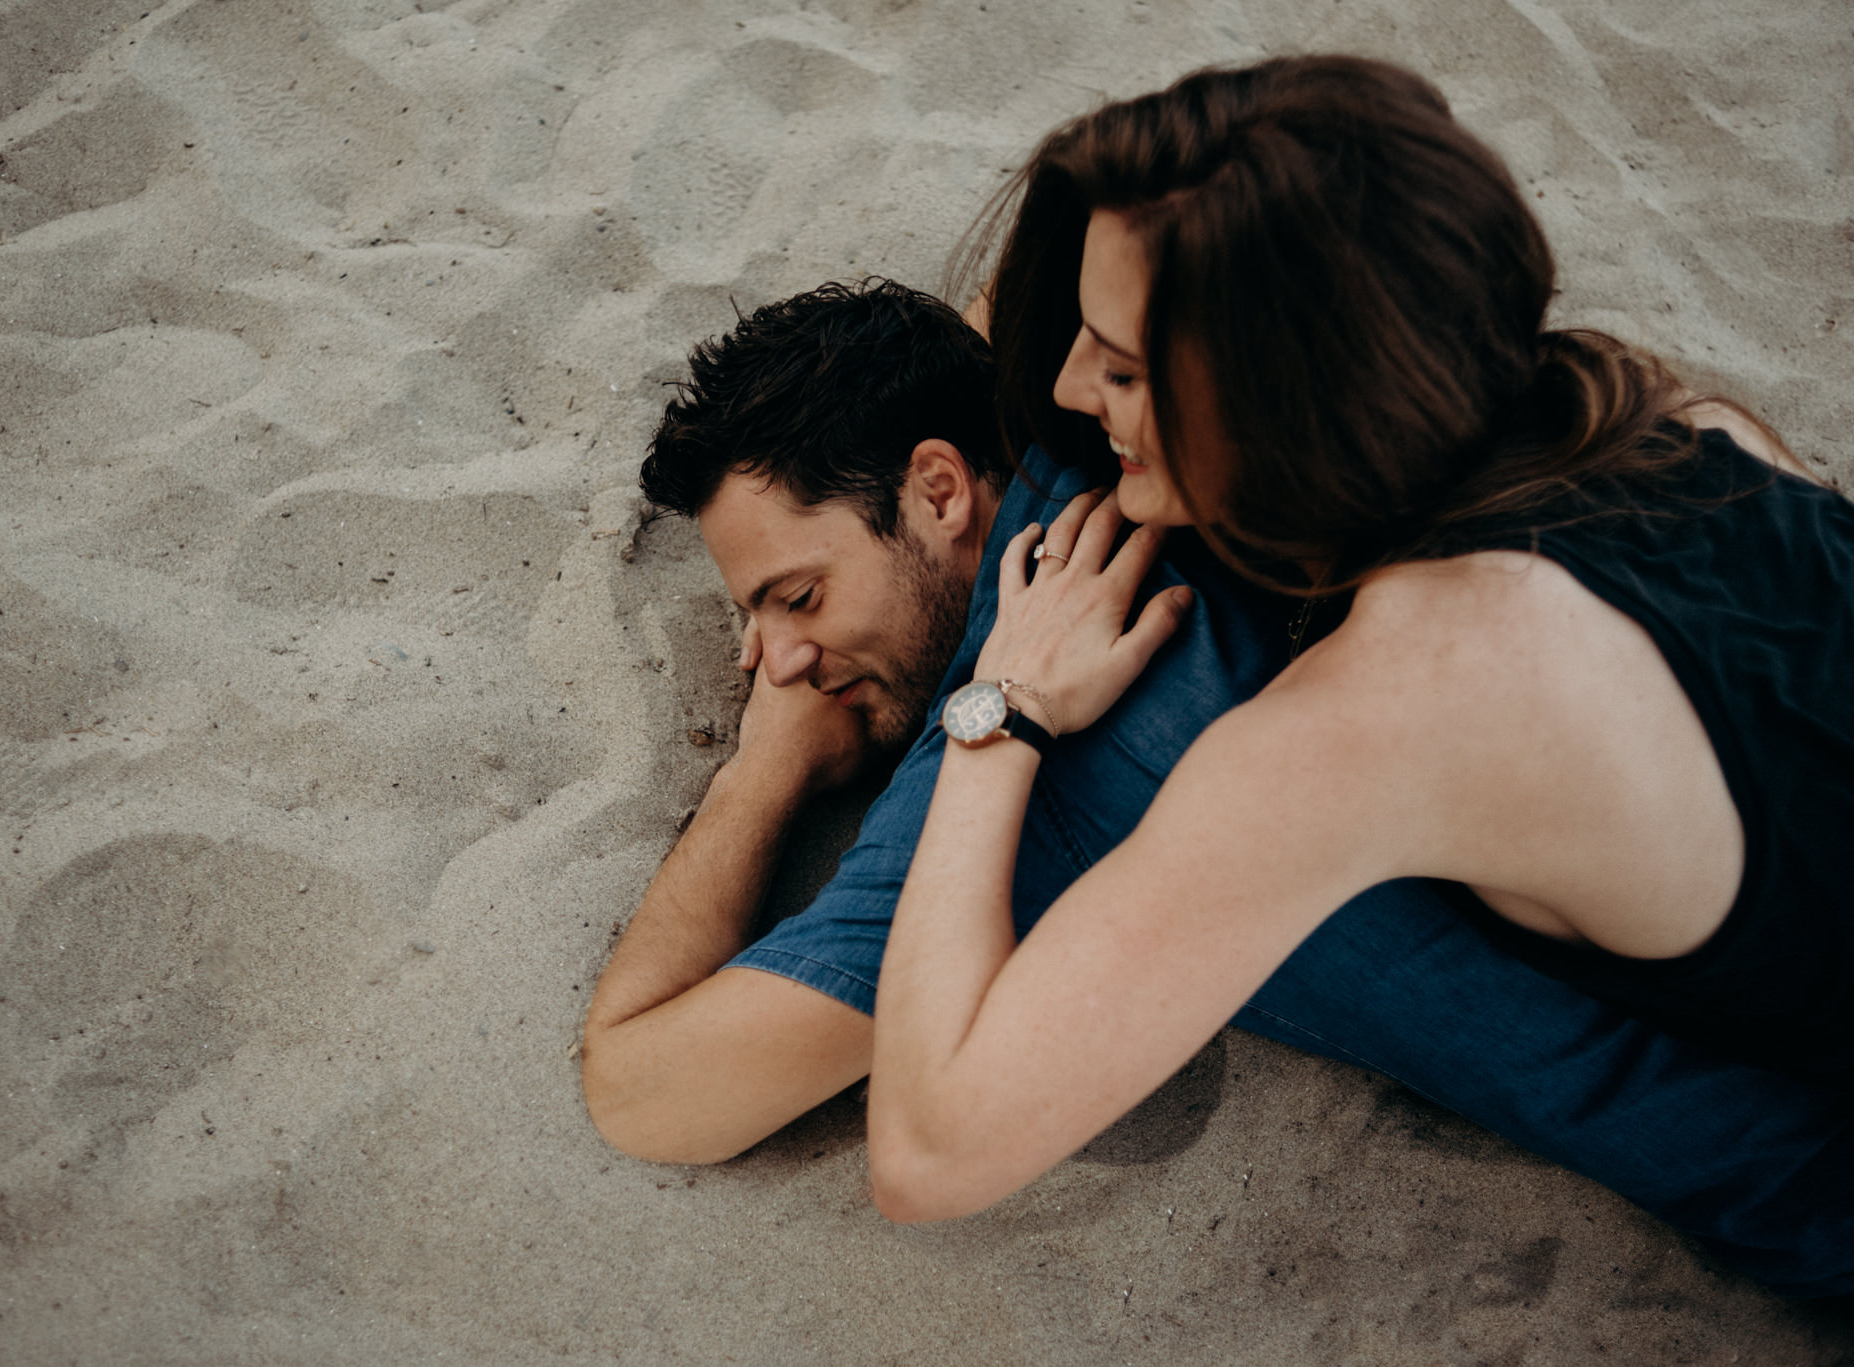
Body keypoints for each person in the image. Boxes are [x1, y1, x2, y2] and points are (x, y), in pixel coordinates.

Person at [580, 280, 1853, 1296]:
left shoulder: (1047, 761)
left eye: (794, 598)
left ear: (939, 485)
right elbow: (991, 308)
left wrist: (769, 765)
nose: (779, 664)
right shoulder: (1211, 449)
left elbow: (647, 1091)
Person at [864, 55, 1854, 1244]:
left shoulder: (1401, 705)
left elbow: (928, 1150)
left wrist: (1000, 707)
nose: (1077, 388)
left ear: (1285, 404)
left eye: (1122, 366)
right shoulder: (1665, 416)